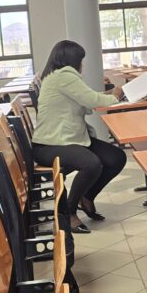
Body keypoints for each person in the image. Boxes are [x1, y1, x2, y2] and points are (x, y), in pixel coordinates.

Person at [31, 40, 126, 233]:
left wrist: (106, 95)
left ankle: (86, 196)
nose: (82, 65)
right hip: (50, 144)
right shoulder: (64, 75)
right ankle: (70, 211)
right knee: (92, 164)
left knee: (116, 157)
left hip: (69, 139)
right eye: (81, 60)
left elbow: (86, 100)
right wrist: (115, 96)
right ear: (73, 60)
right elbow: (91, 100)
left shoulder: (58, 76)